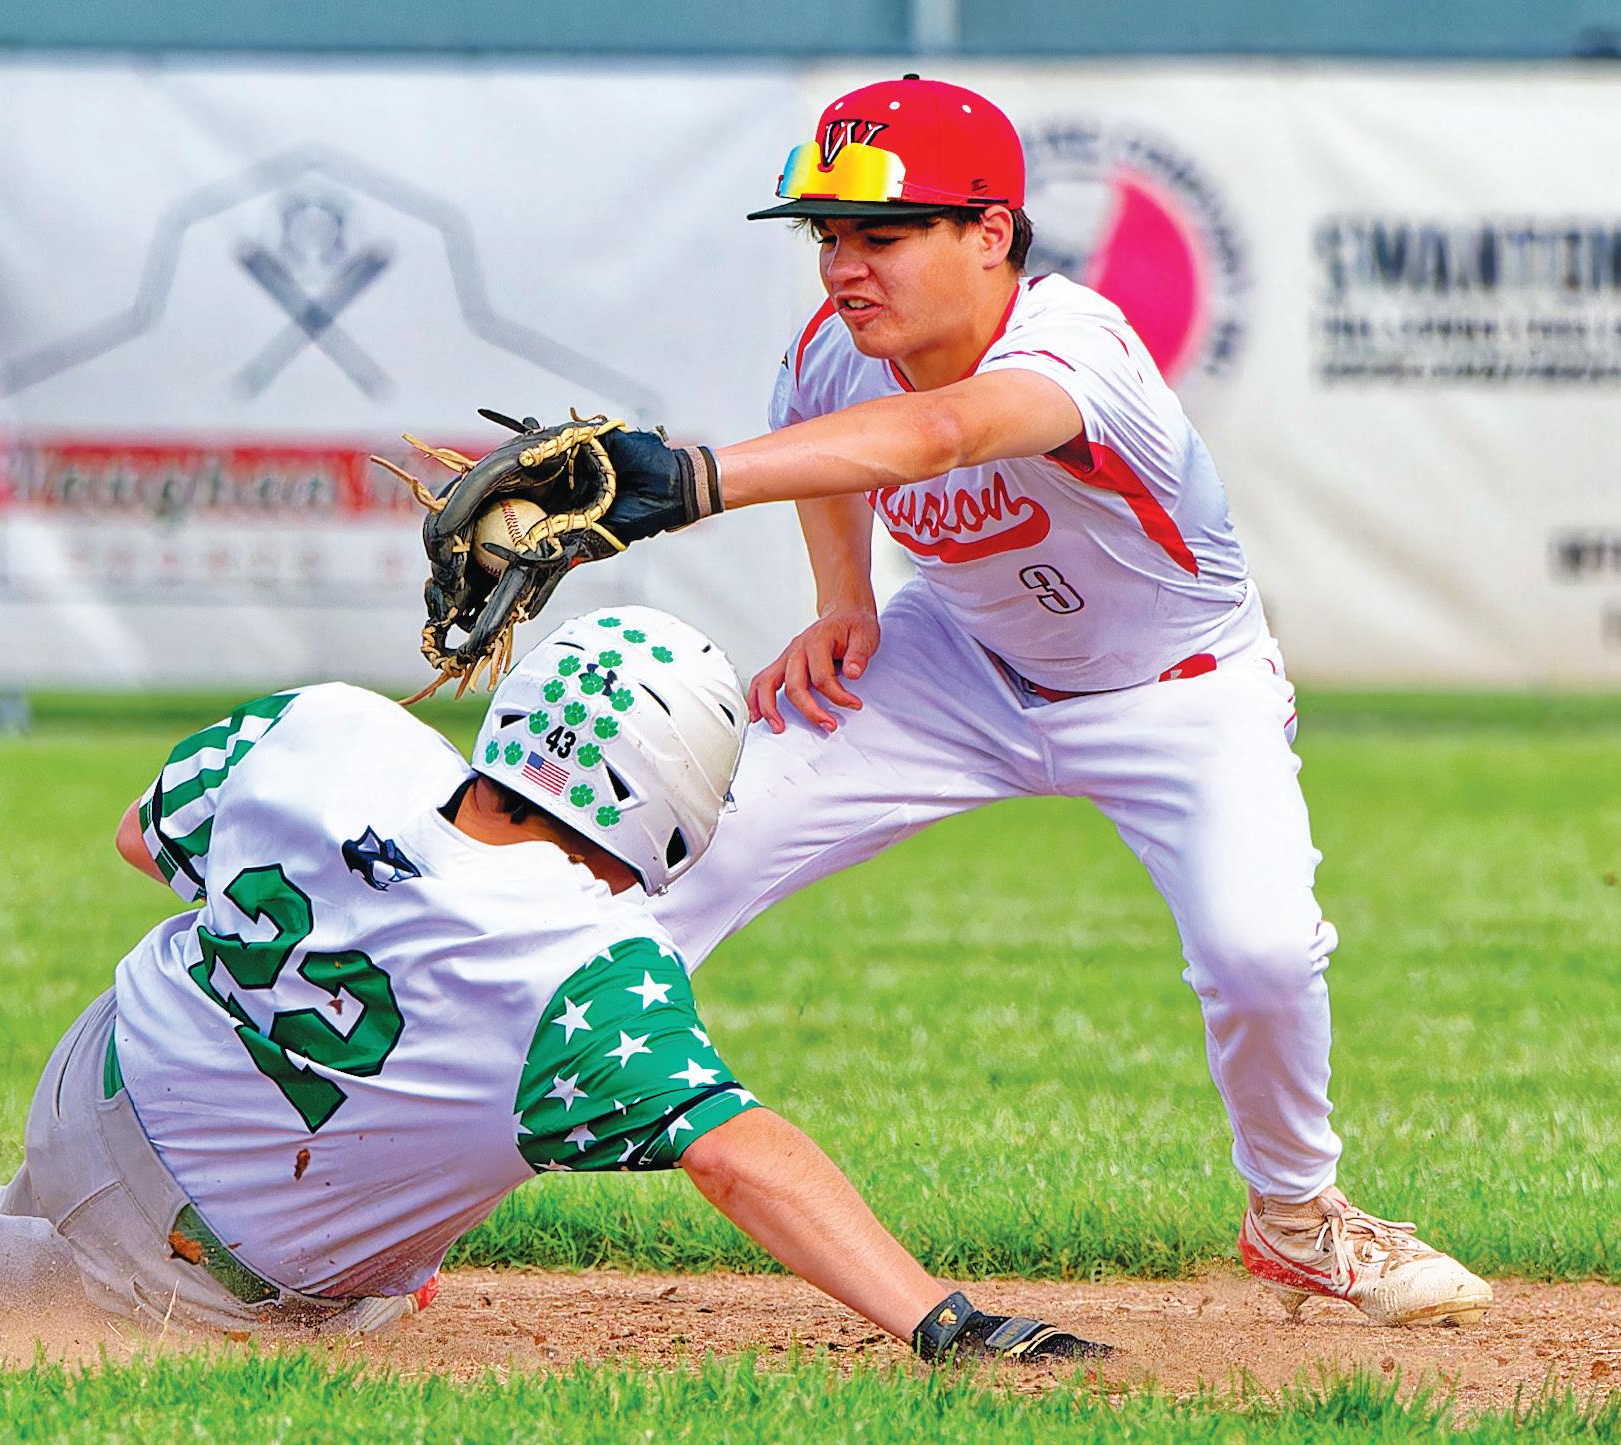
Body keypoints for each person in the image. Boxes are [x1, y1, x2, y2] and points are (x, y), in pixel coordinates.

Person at [553, 77, 1488, 1327]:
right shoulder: (835, 346)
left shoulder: (1075, 346)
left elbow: (937, 434)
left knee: (1259, 956)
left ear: (989, 232)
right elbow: (825, 439)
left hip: (1178, 692)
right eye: (826, 235)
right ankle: (409, 1197)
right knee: (663, 864)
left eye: (881, 234)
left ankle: (1296, 1215)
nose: (841, 266)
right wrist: (844, 601)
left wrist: (689, 480)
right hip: (952, 666)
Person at [0, 607, 1106, 1364]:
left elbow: (141, 838)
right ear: (675, 791)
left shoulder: (332, 725)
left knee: (214, 1153)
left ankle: (9, 1221)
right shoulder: (588, 967)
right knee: (213, 1306)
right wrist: (939, 1317)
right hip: (199, 1264)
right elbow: (741, 1155)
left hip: (97, 1072)